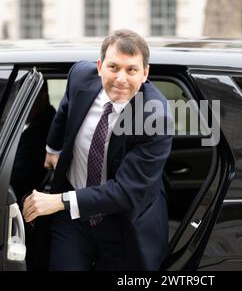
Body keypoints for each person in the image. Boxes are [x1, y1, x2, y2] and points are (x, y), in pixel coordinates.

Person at [22, 29, 173, 271]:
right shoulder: (80, 76)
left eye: (131, 70)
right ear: (100, 66)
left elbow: (125, 191)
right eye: (113, 67)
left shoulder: (156, 117)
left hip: (123, 221)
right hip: (72, 216)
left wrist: (59, 201)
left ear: (145, 73)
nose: (121, 78)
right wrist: (53, 147)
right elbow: (64, 109)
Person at [10, 80, 56, 270]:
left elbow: (17, 179)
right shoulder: (49, 123)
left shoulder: (38, 132)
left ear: (42, 96)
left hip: (30, 211)